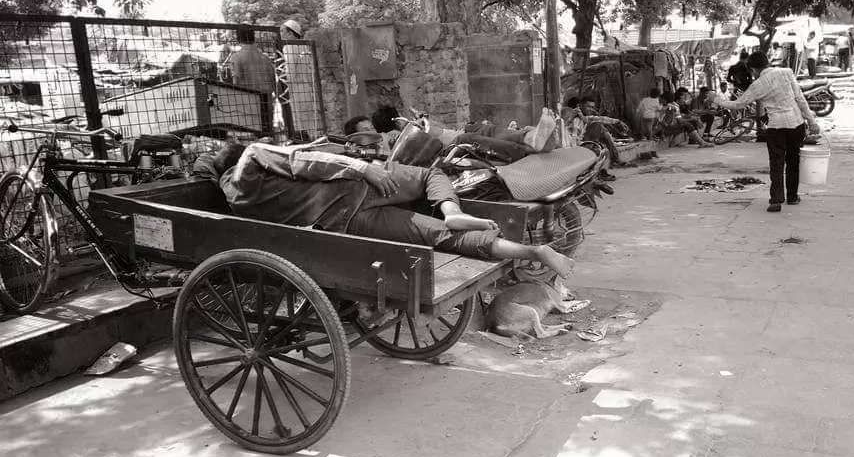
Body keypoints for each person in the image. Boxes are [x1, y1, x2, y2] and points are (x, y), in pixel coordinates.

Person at [193, 142, 576, 277]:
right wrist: (364, 167)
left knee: (440, 239)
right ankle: (451, 208)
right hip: (355, 186)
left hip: (343, 223)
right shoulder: (252, 157)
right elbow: (305, 163)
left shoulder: (236, 200)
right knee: (431, 174)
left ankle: (530, 250)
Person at [710, 52, 820, 212]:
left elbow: (738, 104)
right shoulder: (786, 72)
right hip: (796, 124)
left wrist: (716, 99)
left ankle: (776, 199)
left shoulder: (758, 84)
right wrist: (812, 121)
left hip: (776, 127)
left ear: (753, 69)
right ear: (767, 62)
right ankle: (792, 196)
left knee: (776, 164)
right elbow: (800, 99)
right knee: (793, 161)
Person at [561, 97, 630, 175]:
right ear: (580, 106)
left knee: (601, 129)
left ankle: (613, 161)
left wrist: (617, 121)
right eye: (588, 106)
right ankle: (608, 164)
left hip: (581, 145)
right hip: (576, 149)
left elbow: (600, 119)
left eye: (592, 107)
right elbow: (573, 139)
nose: (590, 109)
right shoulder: (575, 118)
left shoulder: (584, 118)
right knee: (598, 127)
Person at [227, 28, 276, 136]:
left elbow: (236, 81)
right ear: (253, 38)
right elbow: (273, 81)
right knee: (267, 137)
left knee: (251, 140)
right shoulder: (265, 58)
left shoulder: (236, 57)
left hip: (248, 104)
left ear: (238, 39)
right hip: (266, 102)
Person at [273, 19, 303, 138]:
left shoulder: (289, 48)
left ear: (290, 33)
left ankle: (295, 139)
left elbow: (289, 74)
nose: (280, 34)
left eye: (282, 31)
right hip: (306, 88)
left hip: (293, 89)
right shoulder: (304, 46)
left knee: (295, 118)